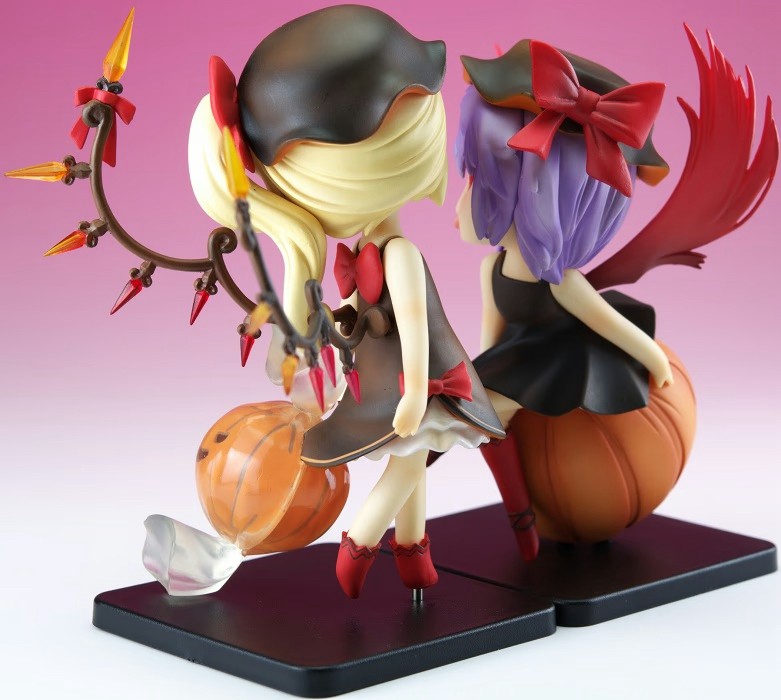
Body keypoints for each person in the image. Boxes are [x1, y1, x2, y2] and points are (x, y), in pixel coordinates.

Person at [190, 5, 505, 598]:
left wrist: (414, 395)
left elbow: (416, 328)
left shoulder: (397, 255)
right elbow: (364, 325)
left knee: (410, 464)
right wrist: (331, 334)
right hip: (393, 384)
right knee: (412, 465)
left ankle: (372, 545)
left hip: (421, 384)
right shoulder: (371, 255)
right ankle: (400, 549)